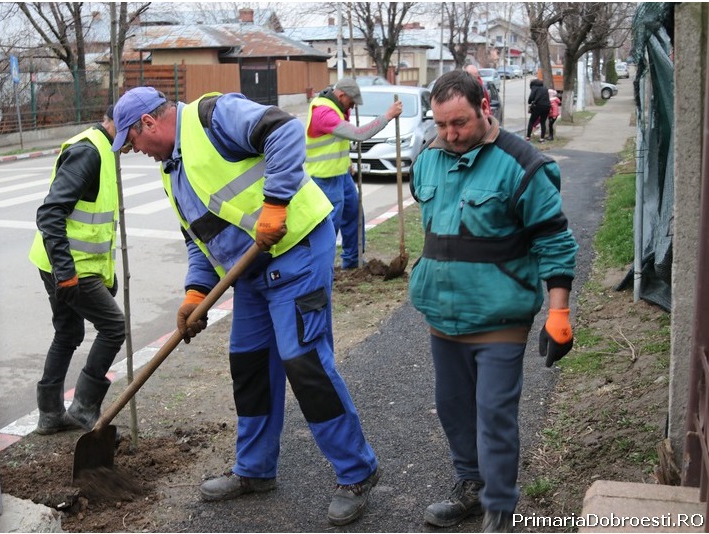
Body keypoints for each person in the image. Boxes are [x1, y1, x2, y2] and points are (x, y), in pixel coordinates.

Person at [112, 87, 380, 526]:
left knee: (304, 361)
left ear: (148, 123)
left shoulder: (212, 116)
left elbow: (285, 130)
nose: (135, 150)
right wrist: (196, 292)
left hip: (295, 248)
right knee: (250, 364)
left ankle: (357, 471)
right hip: (252, 271)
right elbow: (201, 239)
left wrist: (275, 204)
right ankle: (255, 471)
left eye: (133, 141)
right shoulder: (170, 168)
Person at [408, 70, 578, 532]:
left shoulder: (522, 164)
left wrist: (559, 312)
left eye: (459, 123)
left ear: (485, 107)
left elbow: (555, 243)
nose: (450, 135)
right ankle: (471, 486)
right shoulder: (428, 159)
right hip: (443, 315)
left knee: (494, 413)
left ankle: (500, 507)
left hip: (500, 315)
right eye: (441, 125)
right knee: (453, 408)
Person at [29, 105, 126, 434]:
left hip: (62, 262)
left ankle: (50, 414)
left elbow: (96, 226)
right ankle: (84, 406)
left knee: (68, 333)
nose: (133, 143)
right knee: (114, 327)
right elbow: (51, 213)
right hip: (68, 265)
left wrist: (106, 275)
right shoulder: (89, 152)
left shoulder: (104, 148)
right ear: (114, 121)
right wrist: (66, 272)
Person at [305, 77, 402, 269]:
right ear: (341, 95)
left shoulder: (336, 107)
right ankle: (318, 267)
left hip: (341, 174)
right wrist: (387, 116)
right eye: (351, 102)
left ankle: (352, 261)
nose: (352, 106)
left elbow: (335, 141)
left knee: (354, 214)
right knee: (329, 226)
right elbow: (358, 134)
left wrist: (347, 161)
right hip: (325, 179)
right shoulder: (323, 112)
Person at [526, 78, 550, 142]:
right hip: (547, 106)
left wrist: (529, 102)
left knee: (531, 121)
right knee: (543, 122)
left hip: (538, 106)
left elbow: (531, 97)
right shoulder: (545, 88)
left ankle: (528, 137)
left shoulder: (534, 87)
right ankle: (542, 138)